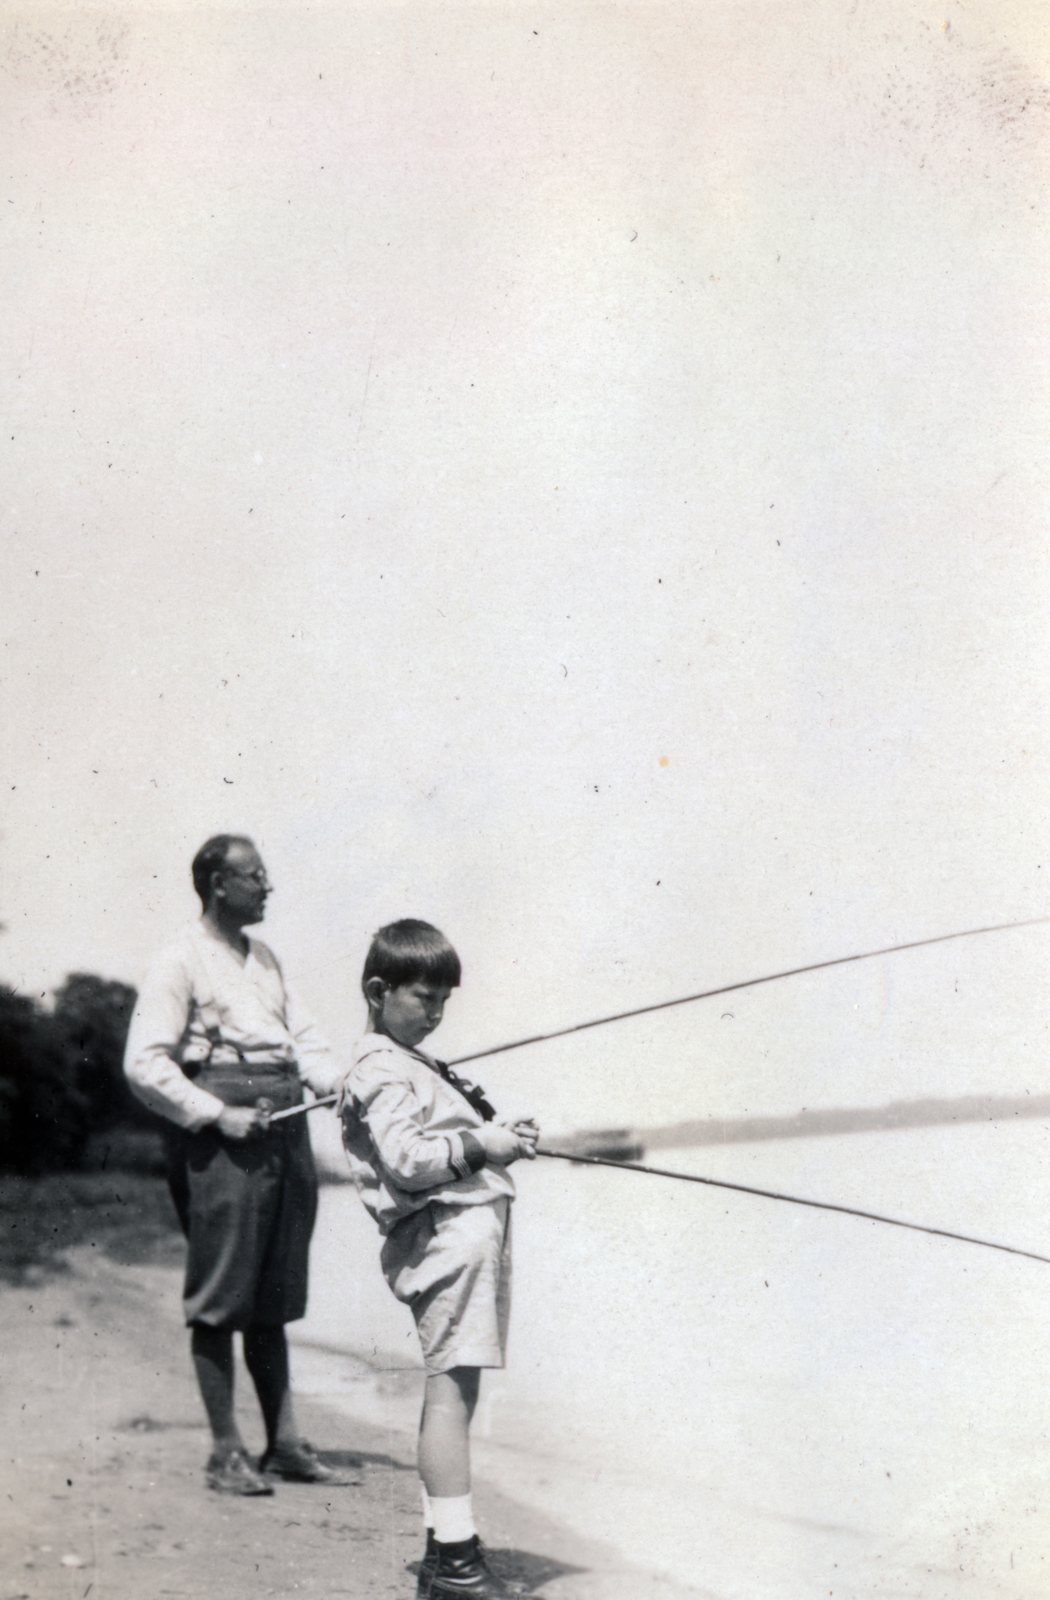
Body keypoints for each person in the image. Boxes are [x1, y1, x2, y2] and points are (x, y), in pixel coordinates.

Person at [124, 833, 349, 1496]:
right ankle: (226, 1451)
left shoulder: (268, 958)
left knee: (275, 1296)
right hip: (224, 1135)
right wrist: (216, 1114)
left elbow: (305, 1040)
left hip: (286, 1128)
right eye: (256, 875)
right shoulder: (178, 959)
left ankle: (282, 1444)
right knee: (222, 1297)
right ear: (220, 883)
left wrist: (328, 1079)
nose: (269, 886)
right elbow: (144, 1063)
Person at [340, 919, 538, 1599]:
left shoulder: (407, 1063)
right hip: (445, 1237)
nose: (436, 1012)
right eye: (424, 997)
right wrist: (484, 1146)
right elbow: (409, 1160)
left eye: (444, 1000)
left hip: (461, 1233)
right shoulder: (380, 1067)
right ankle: (458, 1562)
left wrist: (497, 1137)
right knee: (450, 1392)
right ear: (378, 989)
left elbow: (437, 1139)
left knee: (453, 1389)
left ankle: (442, 1554)